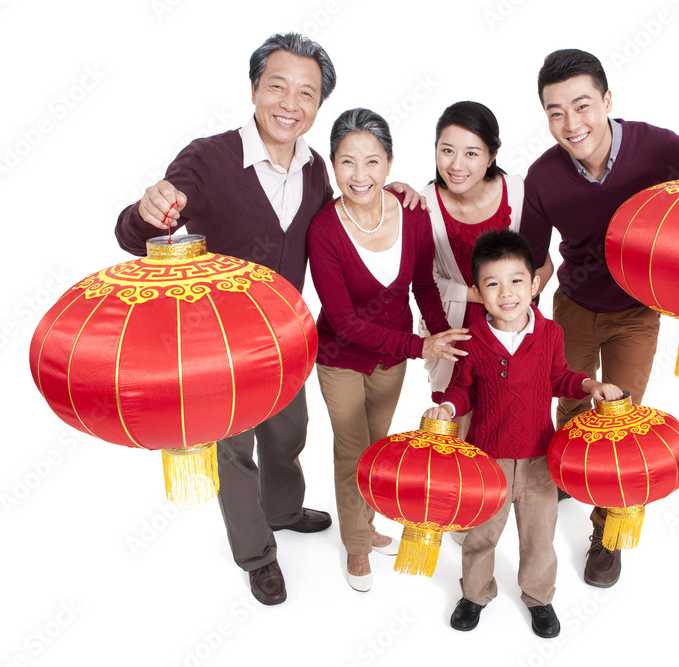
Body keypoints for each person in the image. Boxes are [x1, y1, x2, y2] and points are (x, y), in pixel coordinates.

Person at [114, 33, 422, 606]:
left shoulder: (314, 171)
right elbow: (137, 236)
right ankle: (257, 555)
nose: (290, 102)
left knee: (288, 434)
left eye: (306, 93)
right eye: (277, 85)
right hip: (218, 345)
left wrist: (393, 189)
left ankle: (283, 509)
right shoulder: (208, 157)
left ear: (319, 105)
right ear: (254, 88)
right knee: (234, 450)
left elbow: (350, 212)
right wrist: (145, 211)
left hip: (284, 338)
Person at [519, 48, 679, 589]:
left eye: (581, 105)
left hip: (636, 311)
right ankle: (569, 474)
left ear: (607, 100)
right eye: (555, 112)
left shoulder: (656, 148)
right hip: (574, 309)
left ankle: (609, 530)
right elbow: (532, 258)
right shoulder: (543, 177)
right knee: (573, 405)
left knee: (622, 422)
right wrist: (519, 316)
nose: (571, 124)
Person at [423, 229, 621, 638]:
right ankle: (475, 594)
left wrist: (591, 386)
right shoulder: (474, 339)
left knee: (538, 537)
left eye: (516, 280)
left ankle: (539, 597)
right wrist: (447, 405)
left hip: (537, 460)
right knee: (480, 535)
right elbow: (463, 389)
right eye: (492, 283)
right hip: (487, 460)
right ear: (479, 291)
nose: (506, 292)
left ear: (533, 284)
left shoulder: (549, 334)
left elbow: (560, 377)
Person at [307, 107, 470, 593]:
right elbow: (344, 321)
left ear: (390, 163)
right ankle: (356, 544)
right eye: (347, 162)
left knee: (377, 449)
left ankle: (365, 523)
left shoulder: (413, 213)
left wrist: (443, 339)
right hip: (339, 357)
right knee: (352, 448)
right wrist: (422, 345)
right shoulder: (324, 230)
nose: (360, 175)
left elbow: (423, 286)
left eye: (373, 162)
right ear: (333, 165)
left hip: (393, 357)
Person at [419, 101, 550, 441]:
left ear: (492, 155)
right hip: (453, 328)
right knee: (455, 427)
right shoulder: (424, 204)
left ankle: (511, 491)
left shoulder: (520, 193)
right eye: (446, 150)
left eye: (471, 153)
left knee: (509, 421)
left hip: (512, 328)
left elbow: (542, 266)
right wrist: (472, 293)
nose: (456, 164)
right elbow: (421, 281)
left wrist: (510, 302)